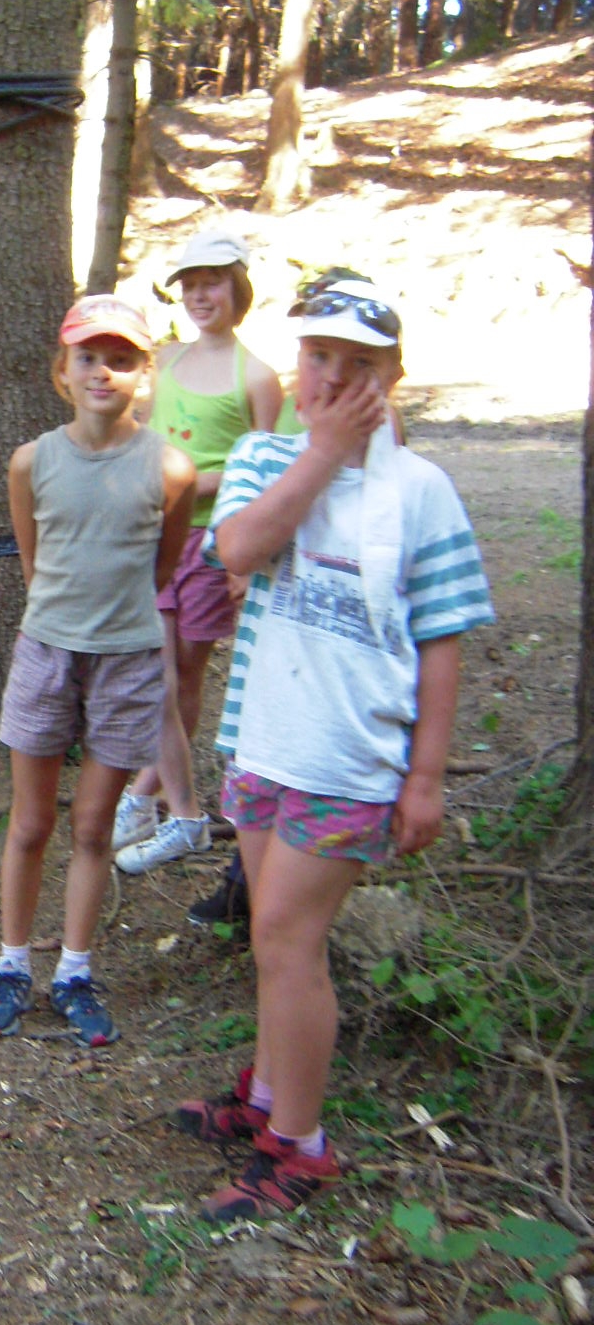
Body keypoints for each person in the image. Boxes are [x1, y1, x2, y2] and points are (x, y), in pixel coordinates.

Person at [174, 274, 493, 1219]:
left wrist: (424, 777)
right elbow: (236, 550)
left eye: (360, 364)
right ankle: (269, 1095)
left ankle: (301, 1148)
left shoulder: (422, 492)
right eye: (319, 356)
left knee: (287, 936)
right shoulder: (265, 456)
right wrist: (319, 457)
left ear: (391, 379)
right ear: (297, 364)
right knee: (270, 939)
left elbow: (443, 637)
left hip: (351, 761)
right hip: (266, 741)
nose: (335, 377)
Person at [0, 296, 196, 1048]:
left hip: (128, 662)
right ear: (62, 372)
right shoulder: (32, 461)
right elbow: (33, 562)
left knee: (94, 826)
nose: (103, 371)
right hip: (47, 653)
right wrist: (66, 621)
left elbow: (161, 567)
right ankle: (11, 965)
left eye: (121, 359)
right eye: (88, 357)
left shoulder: (170, 468)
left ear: (144, 374)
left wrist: (115, 622)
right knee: (31, 822)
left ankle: (74, 971)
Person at [113, 228, 282, 876]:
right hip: (158, 534)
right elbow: (147, 437)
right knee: (158, 673)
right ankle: (153, 801)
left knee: (185, 675)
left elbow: (265, 467)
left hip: (214, 544)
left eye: (213, 284)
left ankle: (147, 797)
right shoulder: (168, 360)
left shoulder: (257, 376)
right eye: (190, 285)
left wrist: (200, 490)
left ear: (238, 290)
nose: (201, 296)